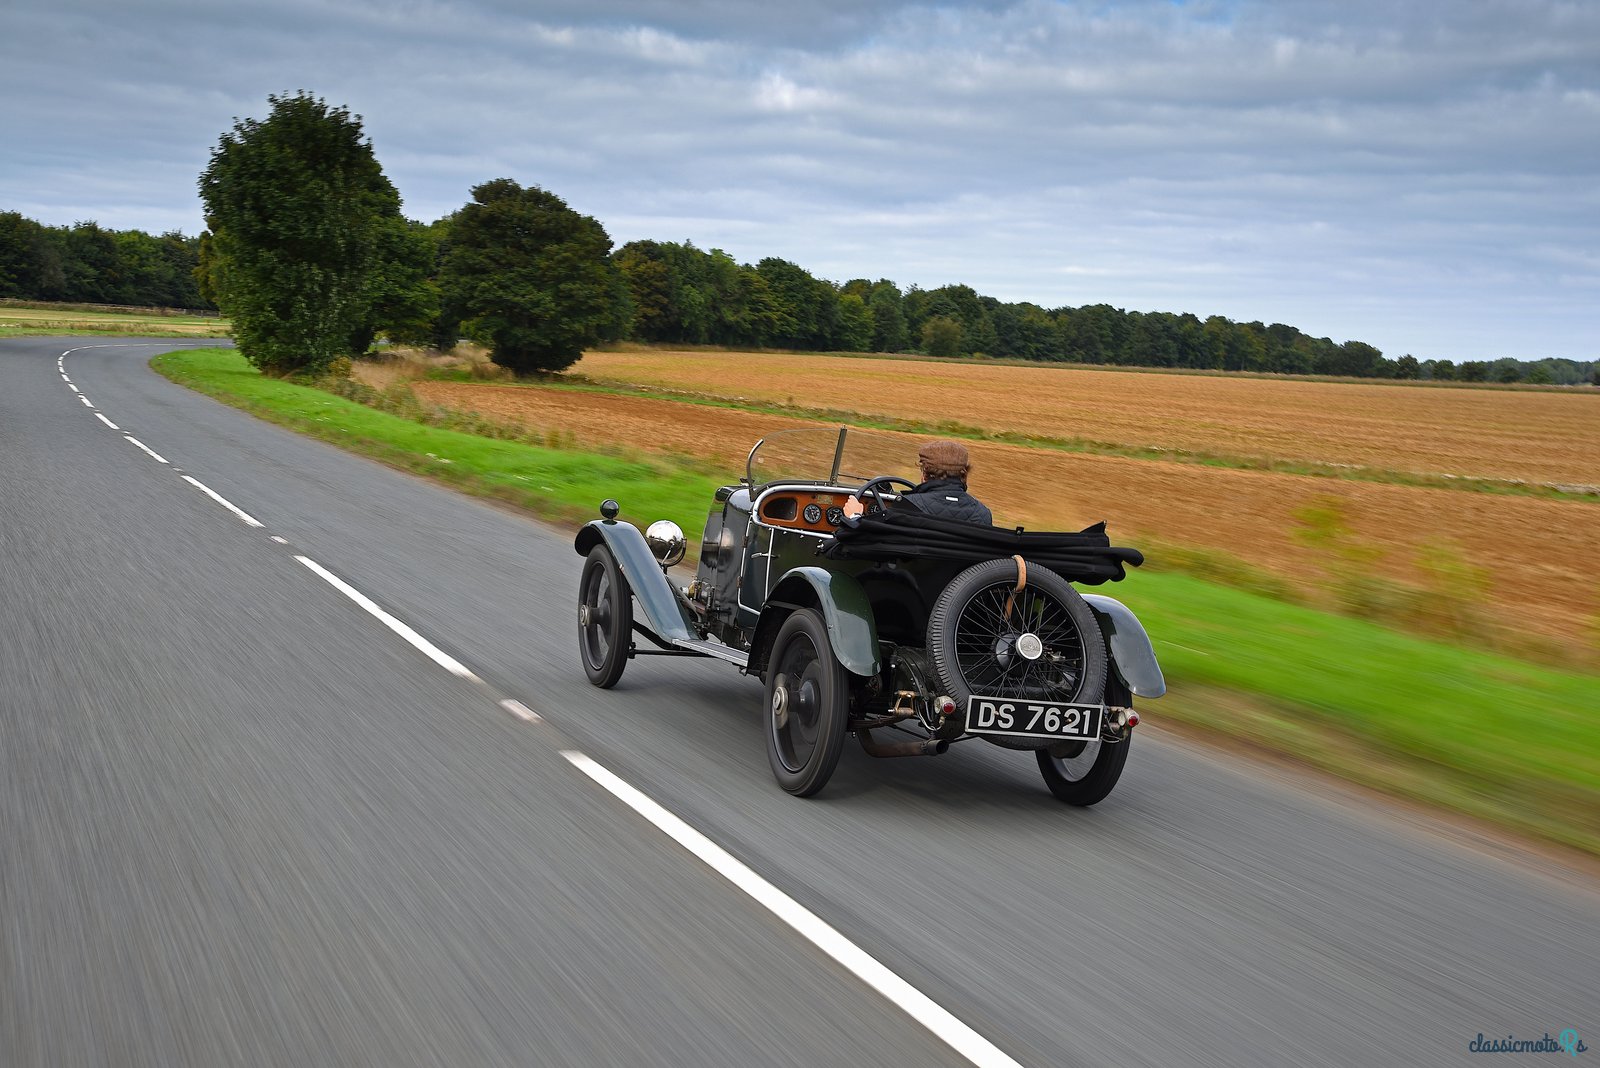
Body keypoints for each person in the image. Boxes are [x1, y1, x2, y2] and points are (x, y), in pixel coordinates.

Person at [844, 439, 993, 525]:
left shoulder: (908, 506)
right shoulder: (983, 514)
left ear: (925, 474)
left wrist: (855, 517)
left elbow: (874, 546)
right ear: (964, 474)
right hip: (961, 579)